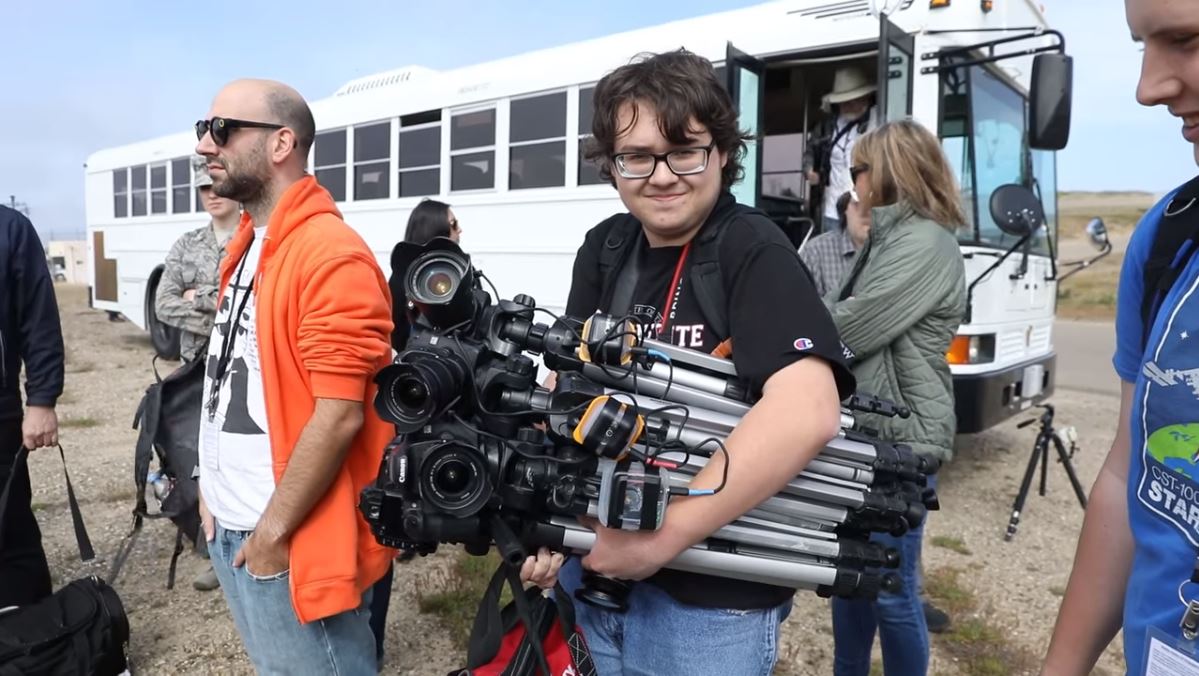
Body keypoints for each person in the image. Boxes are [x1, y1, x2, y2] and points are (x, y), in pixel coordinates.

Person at [558, 49, 855, 675]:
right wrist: (551, 527)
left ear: (721, 152)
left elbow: (808, 409)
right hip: (593, 567)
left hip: (709, 604)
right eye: (637, 156)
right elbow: (567, 390)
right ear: (611, 165)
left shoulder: (751, 247)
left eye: (684, 151)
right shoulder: (605, 248)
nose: (661, 176)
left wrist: (659, 540)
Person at [193, 78, 398, 674]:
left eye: (222, 129)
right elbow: (237, 378)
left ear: (281, 143)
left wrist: (273, 536)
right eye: (203, 129)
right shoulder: (249, 246)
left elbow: (338, 416)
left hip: (287, 542)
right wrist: (210, 487)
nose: (205, 145)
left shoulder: (329, 253)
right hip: (233, 523)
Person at [1042, 2, 1199, 674]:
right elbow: (1128, 471)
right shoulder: (1167, 236)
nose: (1147, 88)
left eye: (1185, 39)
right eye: (1142, 46)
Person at [823, 119, 967, 676]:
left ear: (886, 172)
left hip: (901, 439)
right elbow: (835, 311)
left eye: (858, 169)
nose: (853, 182)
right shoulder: (886, 239)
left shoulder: (925, 243)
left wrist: (793, 335)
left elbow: (852, 326)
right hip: (865, 433)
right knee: (850, 578)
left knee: (889, 588)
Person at [154, 158, 241, 593]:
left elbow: (251, 301)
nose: (212, 194)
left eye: (217, 185)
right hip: (197, 374)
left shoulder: (253, 239)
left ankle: (248, 545)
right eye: (204, 188)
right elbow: (163, 304)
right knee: (199, 462)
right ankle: (211, 548)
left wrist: (199, 296)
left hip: (244, 370)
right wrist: (218, 311)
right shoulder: (187, 245)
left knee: (242, 461)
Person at [0, 205, 64, 610]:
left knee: (10, 531)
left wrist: (41, 400)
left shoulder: (10, 229)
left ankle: (31, 633)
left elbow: (39, 320)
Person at [804, 65, 879, 234]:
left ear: (866, 98)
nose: (849, 105)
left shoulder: (879, 121)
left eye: (854, 100)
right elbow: (810, 151)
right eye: (844, 102)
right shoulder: (827, 127)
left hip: (865, 209)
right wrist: (809, 170)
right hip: (832, 210)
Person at [801, 191, 866, 297]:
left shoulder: (892, 251)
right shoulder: (814, 253)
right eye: (858, 204)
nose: (867, 212)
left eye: (877, 205)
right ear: (845, 209)